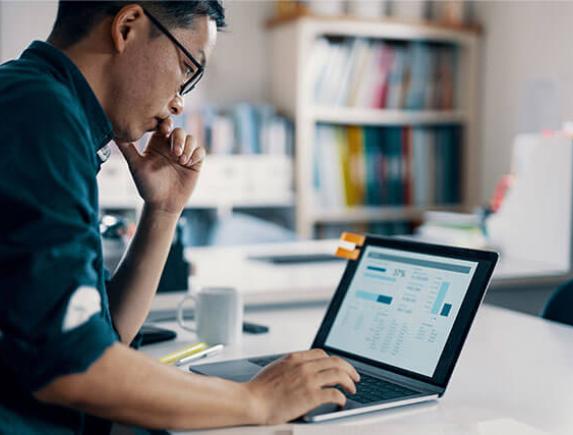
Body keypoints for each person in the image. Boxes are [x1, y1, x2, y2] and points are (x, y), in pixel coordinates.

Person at [0, 1, 360, 433]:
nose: (177, 104)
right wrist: (256, 399)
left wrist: (163, 210)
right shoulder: (41, 115)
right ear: (128, 26)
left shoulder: (45, 105)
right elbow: (74, 365)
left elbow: (103, 336)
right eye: (188, 68)